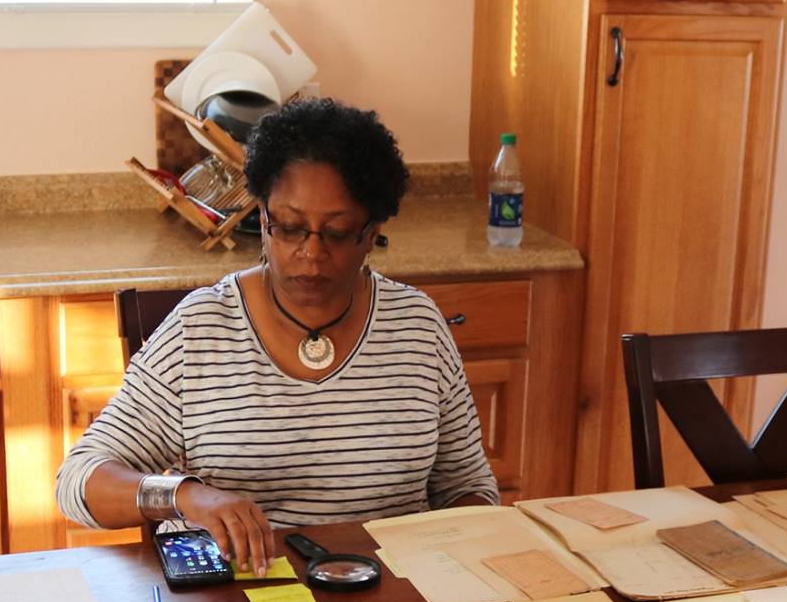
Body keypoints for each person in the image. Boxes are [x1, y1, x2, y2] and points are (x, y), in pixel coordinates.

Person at [56, 97, 499, 574]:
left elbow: (468, 487)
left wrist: (453, 560)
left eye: (337, 232)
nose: (311, 253)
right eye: (289, 228)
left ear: (371, 234)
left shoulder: (417, 327)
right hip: (240, 597)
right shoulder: (201, 330)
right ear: (264, 220)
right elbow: (79, 481)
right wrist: (185, 496)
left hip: (390, 588)